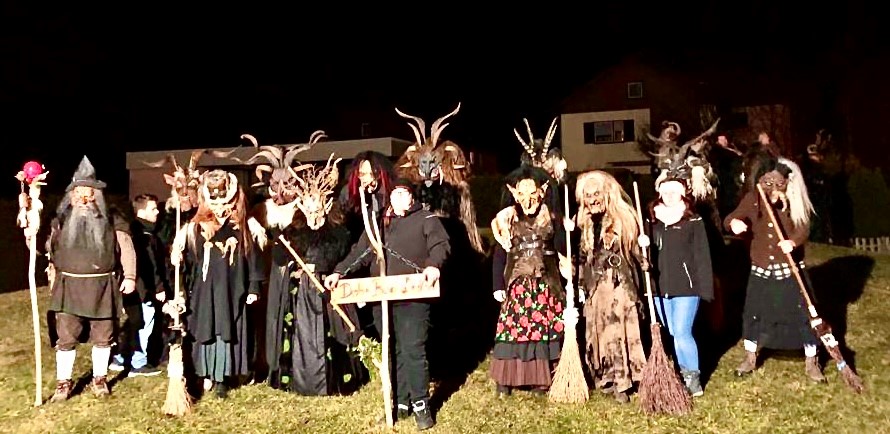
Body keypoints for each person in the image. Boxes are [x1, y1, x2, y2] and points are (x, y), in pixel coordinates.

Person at [325, 179, 450, 431]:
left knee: (412, 349)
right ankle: (400, 403)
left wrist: (433, 266)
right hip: (383, 301)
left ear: (412, 197)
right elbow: (360, 253)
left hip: (413, 299)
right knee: (392, 351)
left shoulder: (426, 219)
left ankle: (421, 405)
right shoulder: (379, 224)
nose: (399, 198)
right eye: (395, 194)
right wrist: (339, 272)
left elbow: (441, 245)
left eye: (404, 193)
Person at [725, 147, 823, 382]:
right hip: (761, 267)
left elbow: (803, 228)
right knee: (753, 313)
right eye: (767, 182)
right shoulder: (753, 198)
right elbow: (731, 217)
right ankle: (750, 357)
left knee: (803, 313)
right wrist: (734, 223)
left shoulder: (794, 203)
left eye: (777, 183)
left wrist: (793, 242)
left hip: (788, 269)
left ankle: (812, 360)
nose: (772, 188)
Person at [45, 156, 137, 401]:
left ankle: (99, 379)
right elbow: (47, 249)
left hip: (102, 285)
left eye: (89, 193)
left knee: (103, 335)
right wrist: (29, 229)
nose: (84, 199)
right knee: (66, 337)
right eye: (79, 194)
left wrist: (129, 275)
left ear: (97, 195)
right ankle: (63, 383)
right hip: (69, 286)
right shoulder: (60, 220)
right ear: (71, 196)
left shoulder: (113, 219)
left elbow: (126, 247)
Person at [271, 154, 364, 395]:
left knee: (332, 332)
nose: (313, 209)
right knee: (303, 335)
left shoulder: (338, 232)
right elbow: (281, 259)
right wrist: (288, 257)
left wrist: (326, 270)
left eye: (317, 203)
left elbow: (344, 257)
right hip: (303, 294)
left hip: (329, 290)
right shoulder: (294, 231)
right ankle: (303, 380)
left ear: (325, 204)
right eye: (308, 204)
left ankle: (334, 381)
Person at [171, 169, 265, 398]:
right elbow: (187, 260)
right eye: (215, 203)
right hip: (204, 291)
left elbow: (254, 258)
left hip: (232, 289)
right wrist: (177, 254)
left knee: (226, 329)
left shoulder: (245, 226)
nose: (220, 209)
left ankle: (222, 377)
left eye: (225, 203)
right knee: (206, 328)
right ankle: (204, 373)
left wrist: (253, 286)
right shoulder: (194, 227)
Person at [489, 165, 568, 397]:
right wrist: (497, 285)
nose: (528, 200)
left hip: (545, 284)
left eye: (532, 193)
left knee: (543, 329)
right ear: (515, 195)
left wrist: (567, 231)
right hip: (517, 284)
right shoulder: (507, 220)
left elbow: (562, 250)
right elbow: (499, 254)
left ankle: (540, 379)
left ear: (542, 193)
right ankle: (506, 380)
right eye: (522, 194)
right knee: (513, 330)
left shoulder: (552, 219)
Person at [574, 170, 646, 403]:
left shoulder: (623, 219)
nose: (593, 200)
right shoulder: (582, 223)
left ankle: (624, 380)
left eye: (597, 194)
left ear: (606, 194)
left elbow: (635, 250)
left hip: (618, 285)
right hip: (595, 287)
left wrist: (642, 252)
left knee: (618, 330)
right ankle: (606, 376)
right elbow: (579, 255)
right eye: (588, 196)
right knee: (599, 330)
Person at [645, 178, 714, 396]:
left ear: (682, 194)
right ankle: (682, 372)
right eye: (666, 192)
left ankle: (693, 378)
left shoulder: (693, 220)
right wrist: (642, 244)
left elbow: (702, 255)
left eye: (674, 192)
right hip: (659, 287)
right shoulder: (651, 221)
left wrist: (705, 288)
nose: (670, 196)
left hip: (686, 286)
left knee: (682, 331)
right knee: (673, 332)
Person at [110, 194, 169, 376]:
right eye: (153, 209)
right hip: (143, 287)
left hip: (133, 286)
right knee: (143, 324)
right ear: (141, 211)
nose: (157, 212)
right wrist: (158, 287)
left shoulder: (134, 231)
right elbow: (150, 264)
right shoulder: (144, 236)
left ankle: (121, 357)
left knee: (133, 322)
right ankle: (138, 361)